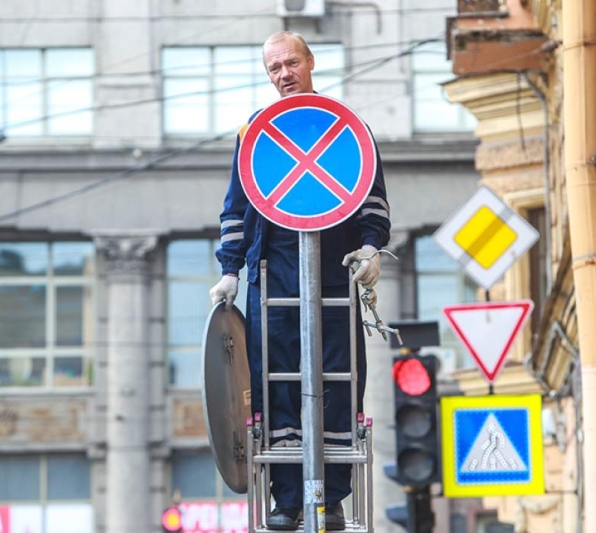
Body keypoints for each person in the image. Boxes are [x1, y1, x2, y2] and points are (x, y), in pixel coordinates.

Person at [209, 31, 391, 531]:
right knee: (274, 387)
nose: (284, 74)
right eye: (274, 68)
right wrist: (230, 270)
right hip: (272, 272)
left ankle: (330, 499)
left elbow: (371, 198)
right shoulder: (254, 132)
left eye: (291, 62)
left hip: (334, 269)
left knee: (338, 378)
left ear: (311, 63)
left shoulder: (345, 128)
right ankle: (288, 501)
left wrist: (373, 247)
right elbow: (237, 208)